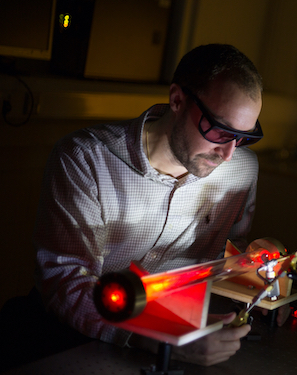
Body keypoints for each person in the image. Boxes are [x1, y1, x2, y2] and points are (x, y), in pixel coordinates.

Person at [31, 43, 264, 366]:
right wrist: (164, 341)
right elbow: (66, 282)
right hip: (75, 339)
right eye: (219, 131)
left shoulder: (241, 170)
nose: (227, 154)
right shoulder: (86, 159)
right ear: (177, 99)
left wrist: (261, 286)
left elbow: (230, 254)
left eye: (243, 137)